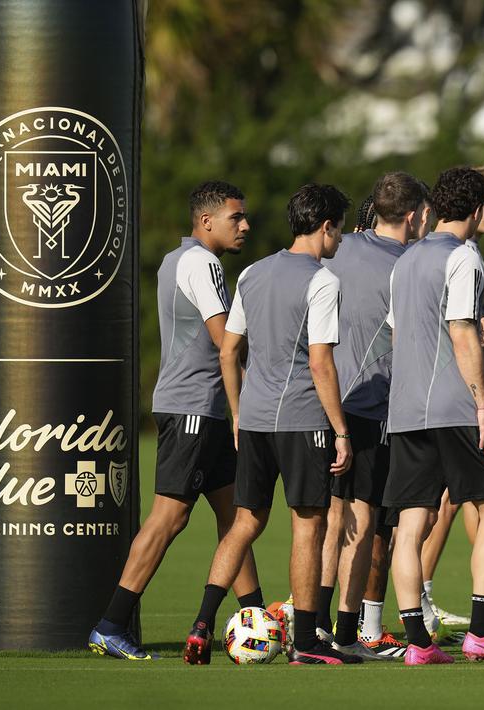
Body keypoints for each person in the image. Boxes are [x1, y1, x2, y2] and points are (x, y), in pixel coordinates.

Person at [183, 183, 356, 665]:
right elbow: (321, 364)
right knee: (308, 525)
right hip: (303, 421)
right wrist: (341, 431)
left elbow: (228, 351)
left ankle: (202, 623)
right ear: (325, 227)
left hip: (256, 420)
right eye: (339, 230)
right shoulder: (324, 281)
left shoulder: (253, 273)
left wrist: (238, 415)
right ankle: (305, 642)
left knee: (243, 524)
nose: (339, 240)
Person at [88, 181, 260, 661]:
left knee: (236, 518)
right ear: (206, 222)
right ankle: (110, 624)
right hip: (192, 408)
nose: (244, 225)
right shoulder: (203, 263)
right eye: (236, 218)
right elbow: (226, 338)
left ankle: (256, 618)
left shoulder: (175, 259)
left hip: (200, 406)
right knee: (171, 516)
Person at [383, 166, 484, 665]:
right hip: (454, 407)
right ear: (474, 211)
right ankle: (483, 631)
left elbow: (402, 331)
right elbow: (460, 331)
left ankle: (418, 643)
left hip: (404, 410)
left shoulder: (405, 260)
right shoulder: (465, 255)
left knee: (411, 526)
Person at [313, 172, 429, 659]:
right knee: (361, 520)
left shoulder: (341, 248)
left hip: (322, 400)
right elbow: (412, 343)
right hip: (372, 408)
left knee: (327, 519)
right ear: (412, 215)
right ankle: (344, 634)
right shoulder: (408, 266)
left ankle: (314, 625)